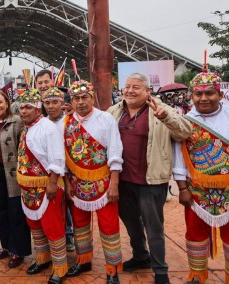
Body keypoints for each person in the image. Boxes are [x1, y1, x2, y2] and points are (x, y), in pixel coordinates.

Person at [108, 72, 192, 284]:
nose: (129, 90)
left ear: (148, 91)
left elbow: (185, 132)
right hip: (122, 180)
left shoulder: (162, 110)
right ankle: (140, 256)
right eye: (127, 86)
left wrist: (166, 116)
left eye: (136, 87)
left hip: (152, 180)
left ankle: (161, 270)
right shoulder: (113, 112)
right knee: (131, 224)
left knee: (154, 227)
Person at [63, 80, 123, 283]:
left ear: (92, 97)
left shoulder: (106, 119)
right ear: (71, 100)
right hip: (76, 183)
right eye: (76, 98)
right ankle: (84, 259)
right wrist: (67, 182)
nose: (80, 102)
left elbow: (115, 151)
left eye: (84, 97)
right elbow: (64, 155)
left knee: (109, 226)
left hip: (104, 182)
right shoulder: (66, 122)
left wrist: (114, 182)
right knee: (79, 225)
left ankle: (112, 269)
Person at [172, 72, 229, 284]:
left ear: (220, 94)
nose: (203, 98)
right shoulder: (185, 122)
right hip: (196, 190)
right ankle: (197, 275)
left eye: (209, 93)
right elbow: (179, 156)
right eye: (198, 94)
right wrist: (182, 188)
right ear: (191, 96)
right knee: (195, 234)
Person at [16, 89, 67, 284]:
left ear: (38, 109)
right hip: (28, 189)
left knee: (52, 226)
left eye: (28, 107)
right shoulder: (26, 127)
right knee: (35, 225)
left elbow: (57, 157)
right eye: (21, 107)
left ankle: (60, 267)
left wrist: (53, 183)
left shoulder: (47, 127)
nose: (23, 111)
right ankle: (43, 258)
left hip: (47, 186)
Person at [0, 90, 32, 268]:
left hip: (12, 173)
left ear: (7, 104)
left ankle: (18, 250)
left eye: (0, 102)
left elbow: (24, 148)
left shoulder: (16, 122)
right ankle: (5, 244)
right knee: (0, 212)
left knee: (16, 213)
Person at [42, 87, 75, 252]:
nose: (51, 106)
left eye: (55, 102)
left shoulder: (70, 121)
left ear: (62, 103)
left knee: (72, 209)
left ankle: (69, 236)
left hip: (72, 173)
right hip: (51, 175)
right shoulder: (41, 123)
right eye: (47, 103)